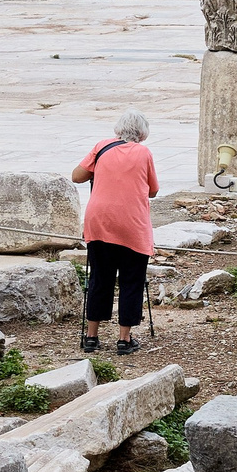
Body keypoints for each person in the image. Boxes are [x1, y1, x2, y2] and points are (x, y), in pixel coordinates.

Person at [71, 109, 159, 355]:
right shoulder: (144, 152)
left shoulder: (101, 146)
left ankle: (91, 336)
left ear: (118, 130)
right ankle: (124, 339)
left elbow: (76, 176)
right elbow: (153, 191)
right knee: (132, 281)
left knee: (100, 278)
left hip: (99, 222)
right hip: (132, 225)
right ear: (143, 134)